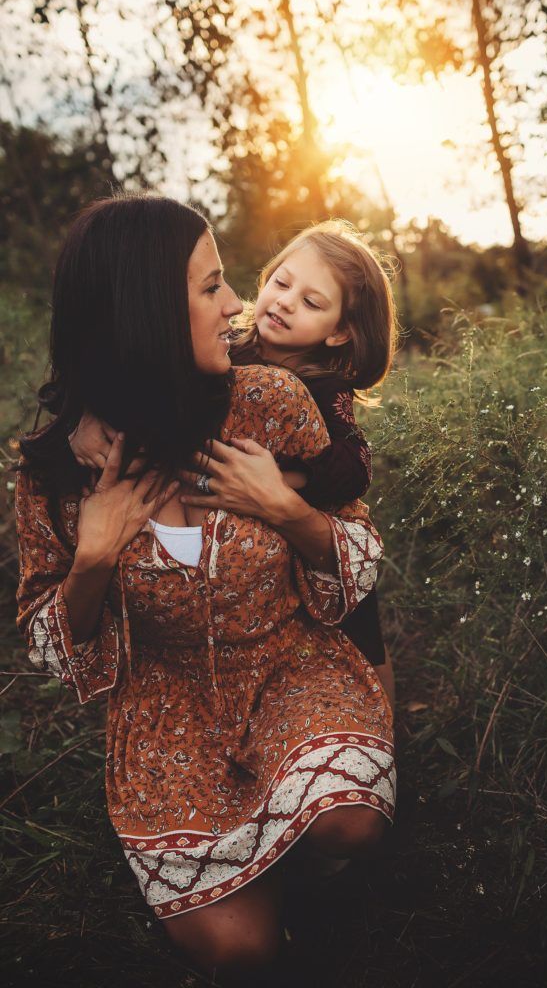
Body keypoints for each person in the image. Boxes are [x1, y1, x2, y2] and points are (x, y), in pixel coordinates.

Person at [15, 195, 395, 982]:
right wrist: (92, 559)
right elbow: (50, 643)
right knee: (241, 952)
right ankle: (261, 877)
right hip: (164, 712)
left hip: (288, 663)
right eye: (210, 287)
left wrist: (286, 511)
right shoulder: (58, 471)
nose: (239, 306)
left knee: (351, 820)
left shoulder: (272, 399)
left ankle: (309, 861)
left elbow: (358, 552)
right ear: (145, 309)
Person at [69, 219, 397, 709]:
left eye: (311, 302)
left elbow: (356, 466)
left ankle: (383, 727)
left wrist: (289, 478)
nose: (285, 301)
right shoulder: (229, 345)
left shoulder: (325, 386)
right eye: (282, 283)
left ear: (339, 333)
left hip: (301, 524)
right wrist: (88, 411)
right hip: (222, 522)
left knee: (359, 629)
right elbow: (143, 370)